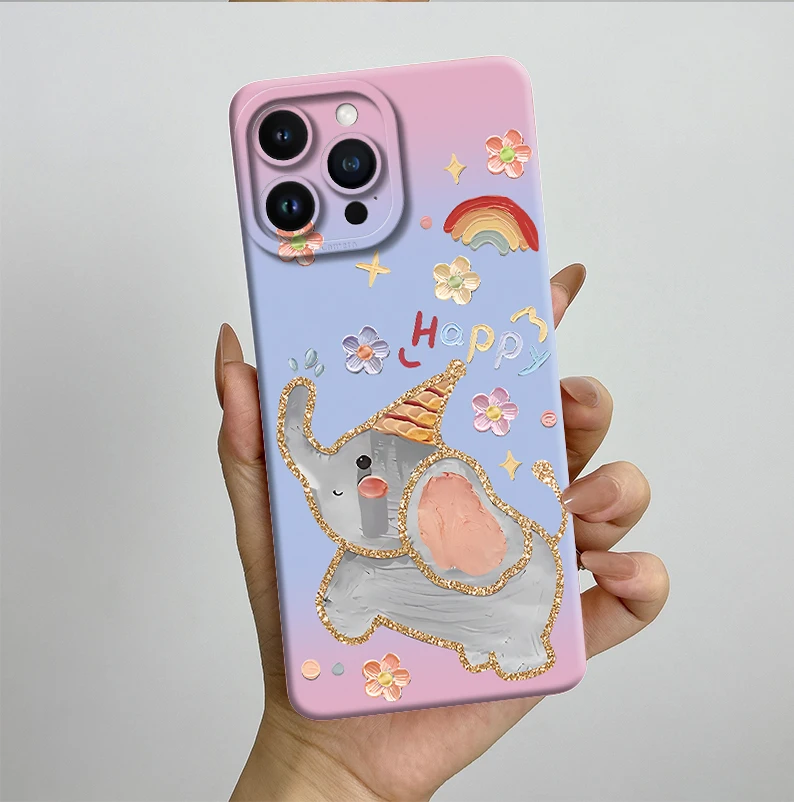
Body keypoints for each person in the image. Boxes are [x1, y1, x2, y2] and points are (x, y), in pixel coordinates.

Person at [215, 263, 669, 802]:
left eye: (364, 481)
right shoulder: (370, 559)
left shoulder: (456, 515)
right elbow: (348, 594)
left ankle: (508, 644)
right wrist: (324, 771)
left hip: (508, 601)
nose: (328, 479)